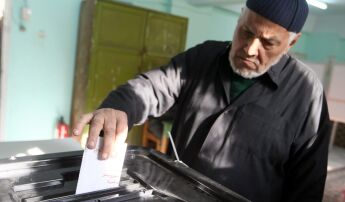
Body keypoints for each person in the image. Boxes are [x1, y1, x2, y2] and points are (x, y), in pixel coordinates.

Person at [73, 0, 331, 201]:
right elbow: (152, 87)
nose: (250, 49)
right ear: (240, 16)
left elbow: (307, 188)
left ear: (292, 42)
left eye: (268, 43)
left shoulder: (306, 95)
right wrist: (119, 108)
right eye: (246, 32)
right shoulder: (203, 58)